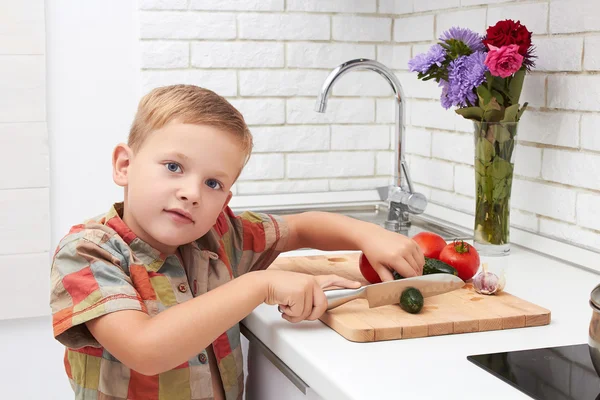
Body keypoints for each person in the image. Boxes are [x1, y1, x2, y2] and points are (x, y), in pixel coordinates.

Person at [49, 84, 424, 400]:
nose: (191, 193)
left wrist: (370, 235)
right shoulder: (89, 253)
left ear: (225, 201)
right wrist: (260, 284)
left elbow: (302, 227)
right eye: (174, 167)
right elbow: (145, 350)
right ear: (124, 166)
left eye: (213, 183)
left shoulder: (220, 235)